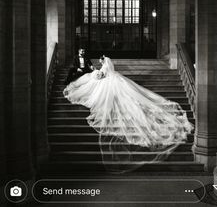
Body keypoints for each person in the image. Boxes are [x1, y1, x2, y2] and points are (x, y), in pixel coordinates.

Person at [63, 56, 193, 166]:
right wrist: (99, 74)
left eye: (102, 61)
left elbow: (103, 73)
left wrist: (100, 74)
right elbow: (102, 73)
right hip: (112, 79)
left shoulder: (106, 67)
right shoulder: (108, 68)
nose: (101, 63)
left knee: (111, 96)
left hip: (110, 80)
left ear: (104, 61)